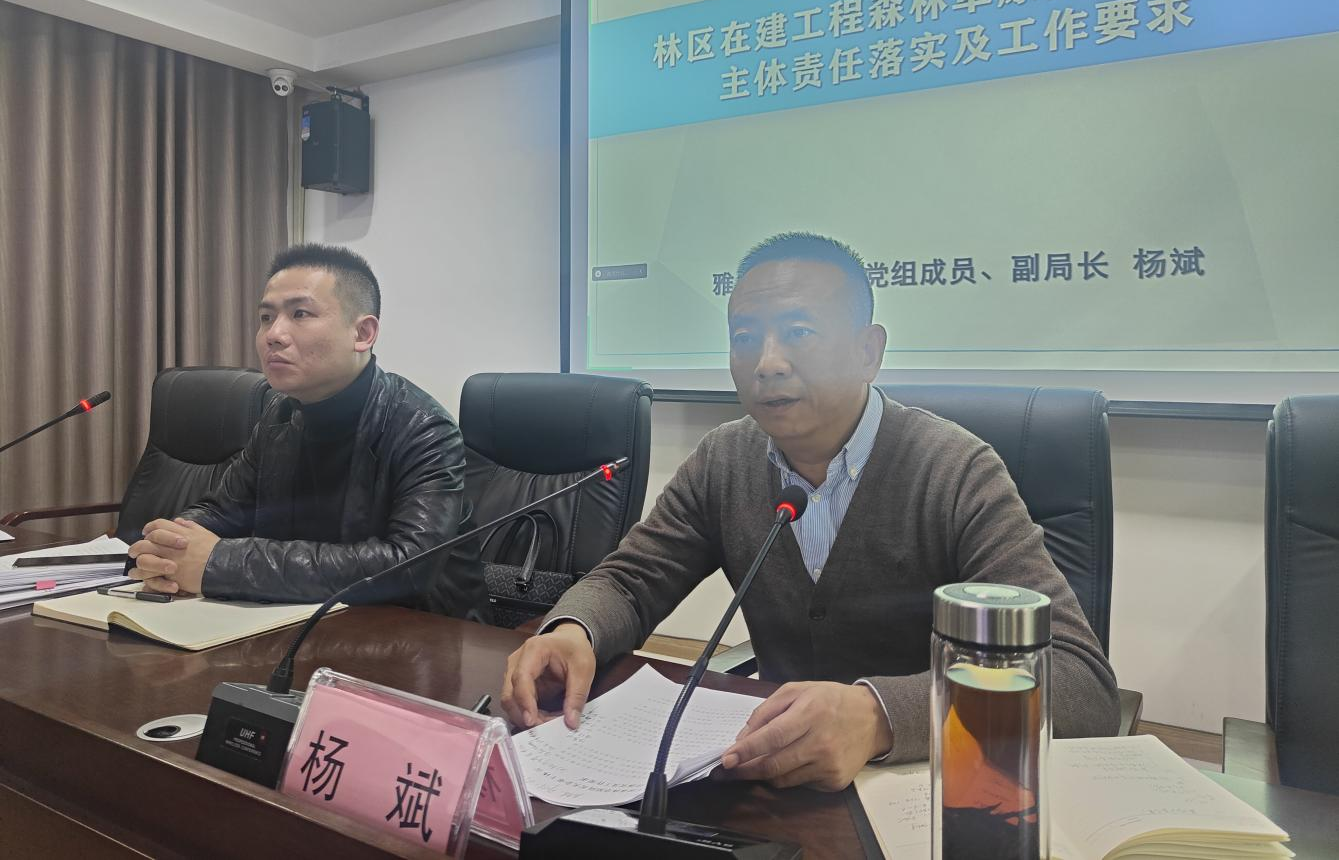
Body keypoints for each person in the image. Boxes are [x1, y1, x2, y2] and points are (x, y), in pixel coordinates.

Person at [501, 232, 1118, 789]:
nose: (767, 362)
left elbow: (1080, 682)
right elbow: (630, 582)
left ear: (869, 351)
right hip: (776, 780)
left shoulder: (955, 471)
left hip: (923, 787)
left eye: (798, 332)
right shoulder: (725, 459)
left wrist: (879, 716)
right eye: (744, 338)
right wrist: (573, 630)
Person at [125, 244, 488, 619]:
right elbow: (223, 510)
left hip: (419, 634)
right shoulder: (279, 416)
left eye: (300, 313)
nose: (273, 334)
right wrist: (170, 548)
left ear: (362, 333)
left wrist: (219, 562)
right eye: (266, 317)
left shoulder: (423, 427)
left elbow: (407, 565)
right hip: (299, 622)